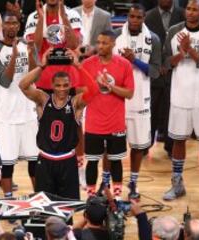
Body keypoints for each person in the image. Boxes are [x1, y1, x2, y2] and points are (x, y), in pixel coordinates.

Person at [19, 48, 99, 199]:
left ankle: (66, 224)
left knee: (67, 206)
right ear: (52, 85)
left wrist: (78, 66)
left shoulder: (75, 103)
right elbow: (23, 85)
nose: (62, 89)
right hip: (45, 159)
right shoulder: (43, 99)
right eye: (58, 85)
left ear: (70, 86)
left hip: (67, 160)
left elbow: (94, 90)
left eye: (65, 85)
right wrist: (42, 66)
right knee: (44, 207)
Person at [162, 0, 199, 202]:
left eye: (195, 9)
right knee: (178, 139)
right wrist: (181, 53)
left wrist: (191, 51)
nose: (190, 12)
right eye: (188, 8)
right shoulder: (173, 30)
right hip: (180, 93)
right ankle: (177, 185)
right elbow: (166, 63)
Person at [0, 13, 39, 198]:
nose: (11, 26)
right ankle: (9, 201)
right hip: (6, 115)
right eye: (7, 23)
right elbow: (4, 81)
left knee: (35, 160)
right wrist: (15, 56)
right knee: (8, 163)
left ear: (19, 26)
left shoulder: (28, 45)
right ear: (2, 27)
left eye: (14, 23)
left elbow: (37, 75)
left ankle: (38, 197)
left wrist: (31, 54)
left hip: (28, 112)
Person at [114, 4, 161, 200]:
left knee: (139, 146)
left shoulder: (154, 39)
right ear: (127, 16)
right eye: (131, 16)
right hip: (117, 98)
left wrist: (134, 60)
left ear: (143, 18)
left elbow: (156, 72)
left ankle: (133, 182)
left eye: (138, 17)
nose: (134, 20)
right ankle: (108, 183)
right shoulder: (116, 35)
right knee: (112, 147)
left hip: (140, 98)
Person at [82, 30, 134, 198]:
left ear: (113, 44)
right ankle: (91, 196)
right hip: (93, 122)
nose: (100, 46)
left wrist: (110, 87)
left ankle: (117, 196)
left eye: (104, 43)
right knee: (92, 161)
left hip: (115, 123)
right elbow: (79, 90)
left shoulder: (124, 64)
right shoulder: (88, 64)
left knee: (116, 160)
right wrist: (94, 86)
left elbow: (129, 93)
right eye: (98, 42)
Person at [145, 0, 185, 157]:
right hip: (154, 72)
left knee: (173, 111)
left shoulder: (184, 14)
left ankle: (171, 147)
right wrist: (158, 64)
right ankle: (145, 145)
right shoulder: (148, 17)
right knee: (151, 111)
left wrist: (168, 63)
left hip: (178, 71)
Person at [24, 0, 83, 92]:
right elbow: (36, 48)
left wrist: (64, 17)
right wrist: (41, 19)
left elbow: (73, 45)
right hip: (44, 80)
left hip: (69, 79)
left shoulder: (72, 14)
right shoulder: (33, 17)